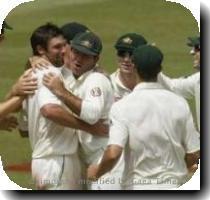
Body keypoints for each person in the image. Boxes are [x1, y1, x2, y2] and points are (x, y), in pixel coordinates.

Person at [87, 45, 200, 190]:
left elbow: (113, 154)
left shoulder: (122, 107)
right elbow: (194, 152)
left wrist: (96, 172)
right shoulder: (180, 103)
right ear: (160, 70)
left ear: (134, 67)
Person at [18, 23, 107, 190]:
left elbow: (23, 129)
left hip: (44, 161)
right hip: (58, 159)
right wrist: (89, 128)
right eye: (60, 46)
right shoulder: (49, 73)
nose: (65, 51)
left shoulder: (30, 74)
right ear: (41, 49)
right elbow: (49, 110)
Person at [42, 31, 114, 190]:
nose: (78, 58)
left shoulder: (96, 80)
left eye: (86, 55)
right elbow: (55, 67)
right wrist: (34, 60)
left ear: (96, 59)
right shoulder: (75, 77)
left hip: (103, 159)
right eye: (76, 52)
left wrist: (60, 91)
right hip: (89, 159)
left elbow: (91, 115)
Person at [158, 36, 200, 131]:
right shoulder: (198, 79)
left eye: (197, 48)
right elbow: (171, 87)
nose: (192, 52)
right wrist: (151, 63)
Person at [111, 33, 147, 101]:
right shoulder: (109, 84)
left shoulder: (152, 84)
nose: (126, 59)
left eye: (132, 54)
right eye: (121, 54)